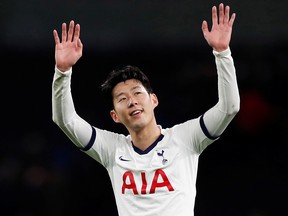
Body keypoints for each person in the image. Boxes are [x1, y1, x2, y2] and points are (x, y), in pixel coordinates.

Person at [52, 3, 240, 216]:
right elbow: (65, 120)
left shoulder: (185, 138)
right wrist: (63, 71)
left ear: (154, 100)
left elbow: (229, 108)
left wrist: (222, 53)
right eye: (122, 99)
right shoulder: (111, 150)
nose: (132, 101)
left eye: (137, 93)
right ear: (114, 116)